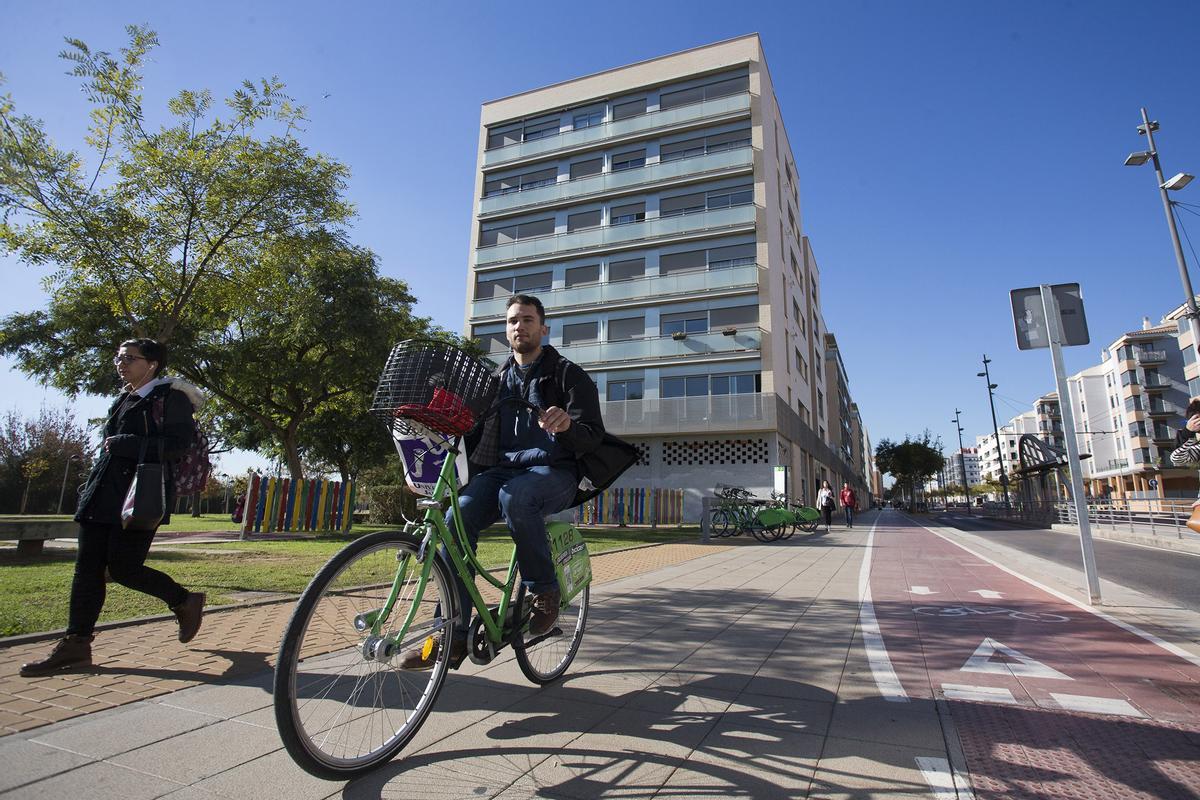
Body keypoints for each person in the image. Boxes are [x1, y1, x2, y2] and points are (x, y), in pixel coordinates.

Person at [401, 294, 635, 670]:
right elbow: (466, 435)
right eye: (512, 321)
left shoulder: (567, 374)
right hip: (501, 472)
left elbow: (592, 435)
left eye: (527, 320)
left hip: (555, 472)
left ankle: (544, 591)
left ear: (543, 328)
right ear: (505, 330)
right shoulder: (494, 382)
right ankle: (452, 634)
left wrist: (568, 425)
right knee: (455, 518)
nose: (519, 326)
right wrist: (424, 467)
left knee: (517, 497)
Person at [21, 339, 207, 677]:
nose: (121, 364)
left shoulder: (171, 398)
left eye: (129, 358)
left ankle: (184, 600)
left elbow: (179, 445)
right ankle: (76, 644)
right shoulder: (123, 399)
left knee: (124, 568)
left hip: (140, 497)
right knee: (87, 570)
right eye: (118, 358)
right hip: (101, 494)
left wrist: (128, 444)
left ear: (151, 364)